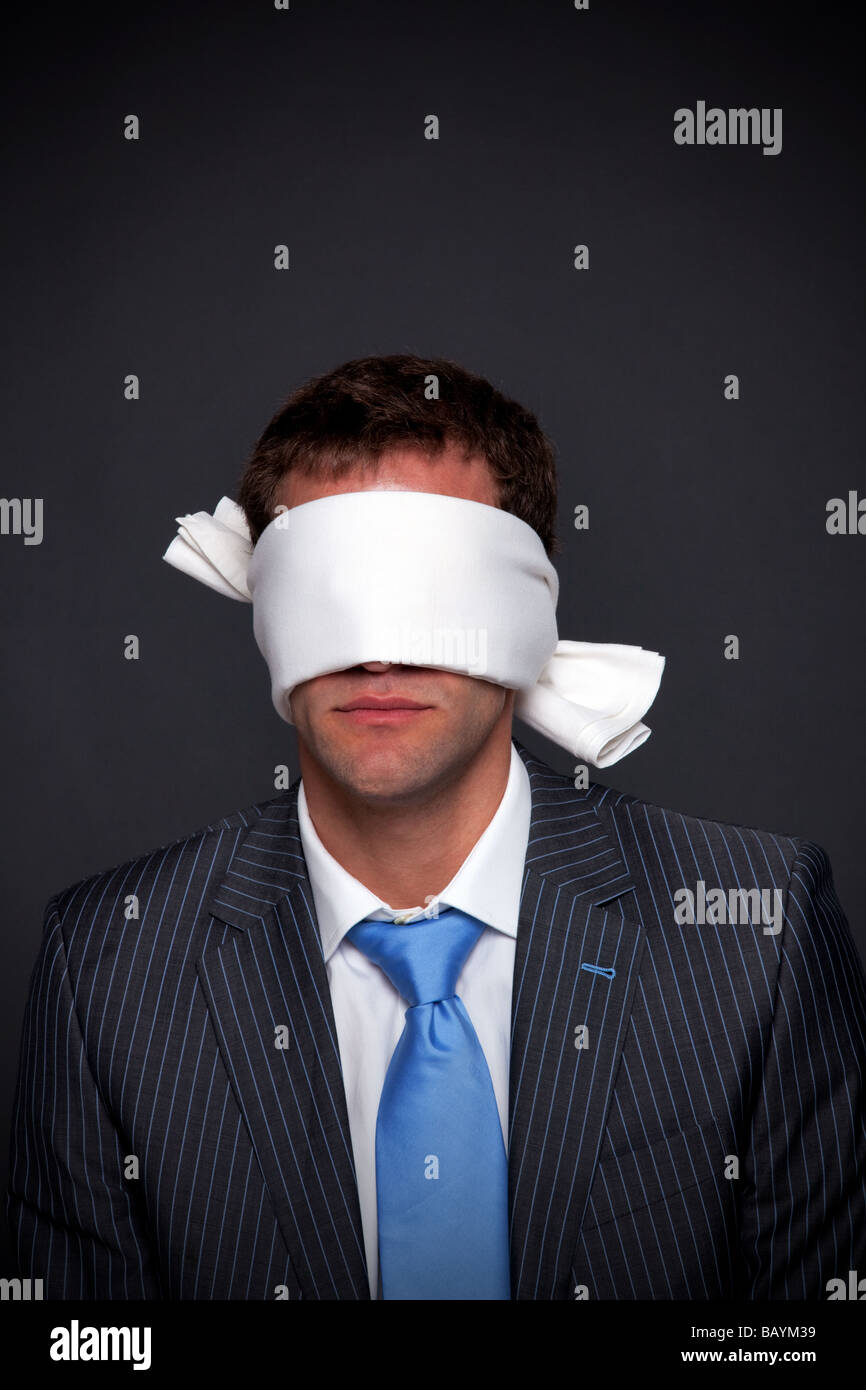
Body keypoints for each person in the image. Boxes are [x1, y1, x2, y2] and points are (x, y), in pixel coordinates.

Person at [7, 355, 866, 1300]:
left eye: (434, 592)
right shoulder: (107, 967)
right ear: (264, 609)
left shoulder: (754, 933)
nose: (377, 651)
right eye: (328, 595)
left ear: (531, 604)